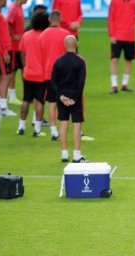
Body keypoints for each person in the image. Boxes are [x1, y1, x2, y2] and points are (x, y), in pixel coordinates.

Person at [51, 35, 87, 163]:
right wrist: (74, 99)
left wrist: (61, 97)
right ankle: (77, 155)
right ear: (76, 45)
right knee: (77, 125)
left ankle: (64, 153)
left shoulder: (58, 61)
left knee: (63, 124)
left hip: (62, 98)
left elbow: (53, 82)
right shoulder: (80, 62)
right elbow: (81, 82)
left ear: (64, 45)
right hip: (75, 98)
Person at [17, 10, 50, 137]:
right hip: (41, 75)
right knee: (40, 101)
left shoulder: (26, 35)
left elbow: (22, 53)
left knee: (26, 100)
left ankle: (21, 126)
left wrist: (26, 67)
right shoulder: (45, 36)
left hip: (28, 74)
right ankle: (37, 129)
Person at [39, 10, 70, 141]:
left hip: (48, 73)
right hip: (64, 73)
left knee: (51, 102)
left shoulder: (42, 35)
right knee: (63, 102)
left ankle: (53, 130)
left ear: (49, 20)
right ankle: (63, 129)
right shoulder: (66, 35)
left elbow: (41, 54)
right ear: (60, 19)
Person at [108, 0, 135, 94]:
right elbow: (111, 17)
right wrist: (111, 34)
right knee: (114, 59)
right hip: (117, 35)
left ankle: (124, 85)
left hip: (130, 36)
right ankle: (114, 85)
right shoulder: (114, 2)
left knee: (128, 59)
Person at [7, 0, 27, 106]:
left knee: (23, 70)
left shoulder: (19, 8)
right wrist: (13, 36)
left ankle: (26, 95)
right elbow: (8, 23)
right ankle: (12, 96)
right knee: (13, 72)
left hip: (20, 46)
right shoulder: (14, 8)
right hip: (14, 47)